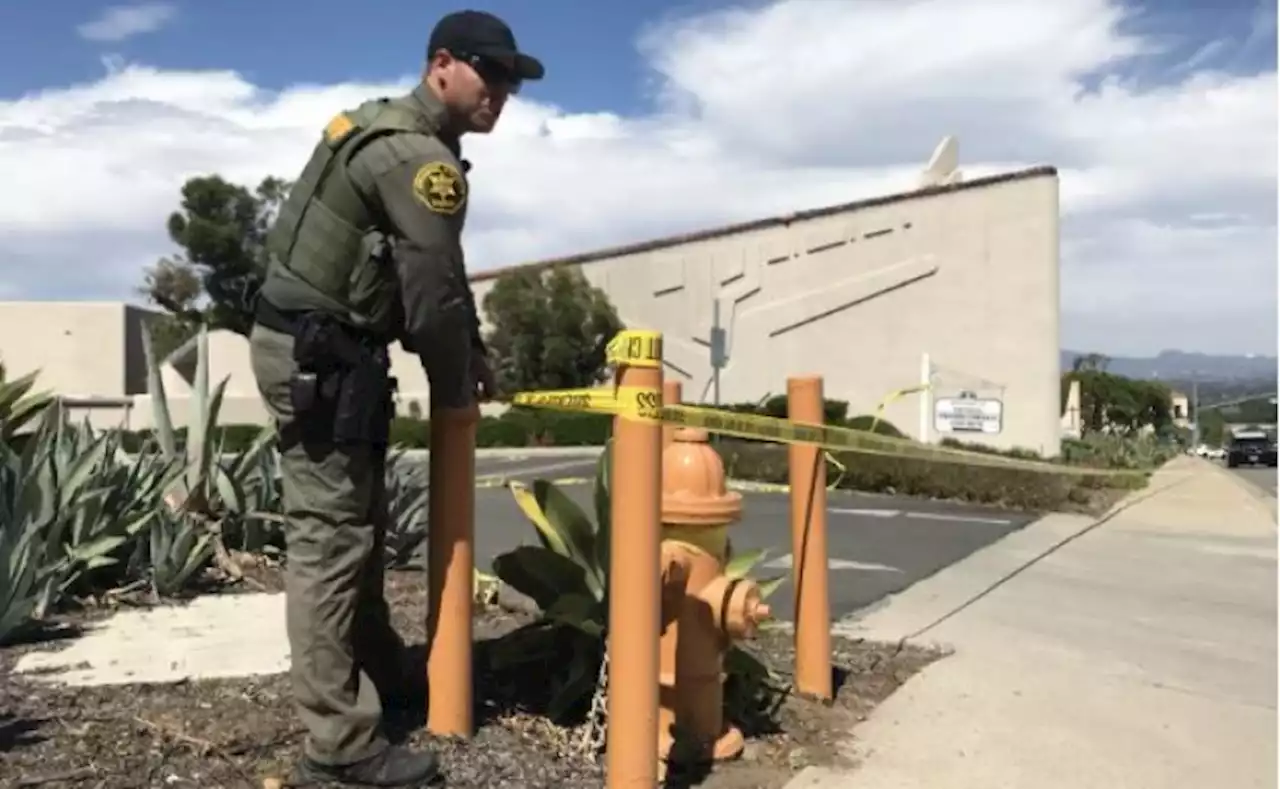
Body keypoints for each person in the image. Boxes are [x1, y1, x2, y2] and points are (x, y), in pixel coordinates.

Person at [246, 10, 544, 787]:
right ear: (442, 64)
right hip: (321, 355)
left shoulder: (390, 133)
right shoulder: (417, 158)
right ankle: (338, 744)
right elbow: (433, 298)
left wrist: (468, 349)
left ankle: (379, 673)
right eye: (492, 72)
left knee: (360, 527)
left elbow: (441, 271)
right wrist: (456, 395)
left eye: (510, 79)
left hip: (328, 349)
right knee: (329, 540)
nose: (503, 92)